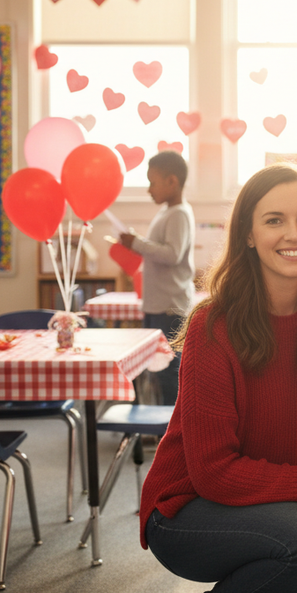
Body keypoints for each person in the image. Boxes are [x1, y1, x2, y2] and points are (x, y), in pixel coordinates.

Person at [139, 163, 297, 593]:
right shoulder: (213, 325)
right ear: (248, 235)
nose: (295, 234)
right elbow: (213, 473)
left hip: (268, 496)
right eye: (275, 220)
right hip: (187, 511)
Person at [119, 150, 195, 405]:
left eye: (152, 182)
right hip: (158, 305)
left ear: (172, 181)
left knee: (169, 372)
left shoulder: (179, 214)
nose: (149, 189)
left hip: (169, 308)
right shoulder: (167, 212)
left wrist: (137, 243)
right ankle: (161, 424)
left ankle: (172, 427)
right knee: (157, 368)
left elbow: (172, 254)